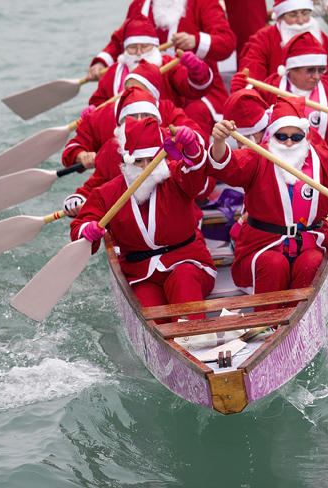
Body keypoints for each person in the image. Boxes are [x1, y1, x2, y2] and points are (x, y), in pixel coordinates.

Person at [207, 97, 328, 306]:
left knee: (311, 262)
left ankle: (295, 316)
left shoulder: (323, 159)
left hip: (310, 241)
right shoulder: (257, 155)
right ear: (272, 134)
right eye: (281, 136)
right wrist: (219, 141)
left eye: (296, 136)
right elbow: (224, 165)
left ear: (305, 135)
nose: (289, 142)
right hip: (263, 245)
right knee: (274, 264)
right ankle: (267, 319)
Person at [71, 117, 216, 318]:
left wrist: (192, 149)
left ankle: (194, 335)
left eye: (151, 159)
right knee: (152, 311)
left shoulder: (175, 177)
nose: (146, 167)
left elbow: (196, 177)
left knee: (184, 277)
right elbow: (80, 226)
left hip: (189, 263)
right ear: (125, 160)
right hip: (141, 276)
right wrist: (86, 229)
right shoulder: (107, 194)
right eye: (139, 161)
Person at [86, 0, 235, 141]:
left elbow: (227, 42)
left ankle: (196, 161)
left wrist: (196, 41)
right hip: (151, 87)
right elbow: (123, 37)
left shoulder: (202, 2)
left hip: (197, 85)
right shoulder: (140, 5)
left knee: (195, 113)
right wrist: (101, 62)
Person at [63, 85, 209, 217]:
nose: (139, 121)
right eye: (133, 116)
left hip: (174, 223)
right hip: (129, 231)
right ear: (122, 121)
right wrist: (78, 200)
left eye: (146, 115)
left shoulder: (172, 142)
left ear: (156, 119)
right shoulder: (112, 148)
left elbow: (196, 179)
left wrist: (191, 144)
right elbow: (95, 185)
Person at [237, 32, 328, 160]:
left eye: (321, 70)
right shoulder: (269, 87)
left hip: (323, 162)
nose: (317, 76)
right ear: (291, 69)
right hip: (278, 161)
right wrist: (239, 92)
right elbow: (246, 126)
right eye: (310, 70)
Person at [237, 0, 328, 112]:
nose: (300, 21)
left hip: (322, 108)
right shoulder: (262, 39)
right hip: (277, 109)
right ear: (280, 16)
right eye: (293, 14)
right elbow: (251, 79)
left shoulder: (323, 39)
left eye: (305, 13)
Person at [87, 16, 213, 108]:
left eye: (144, 46)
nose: (138, 53)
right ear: (124, 50)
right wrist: (92, 110)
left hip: (164, 130)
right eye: (132, 47)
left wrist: (197, 69)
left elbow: (194, 89)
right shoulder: (113, 72)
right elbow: (99, 102)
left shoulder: (169, 65)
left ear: (155, 47)